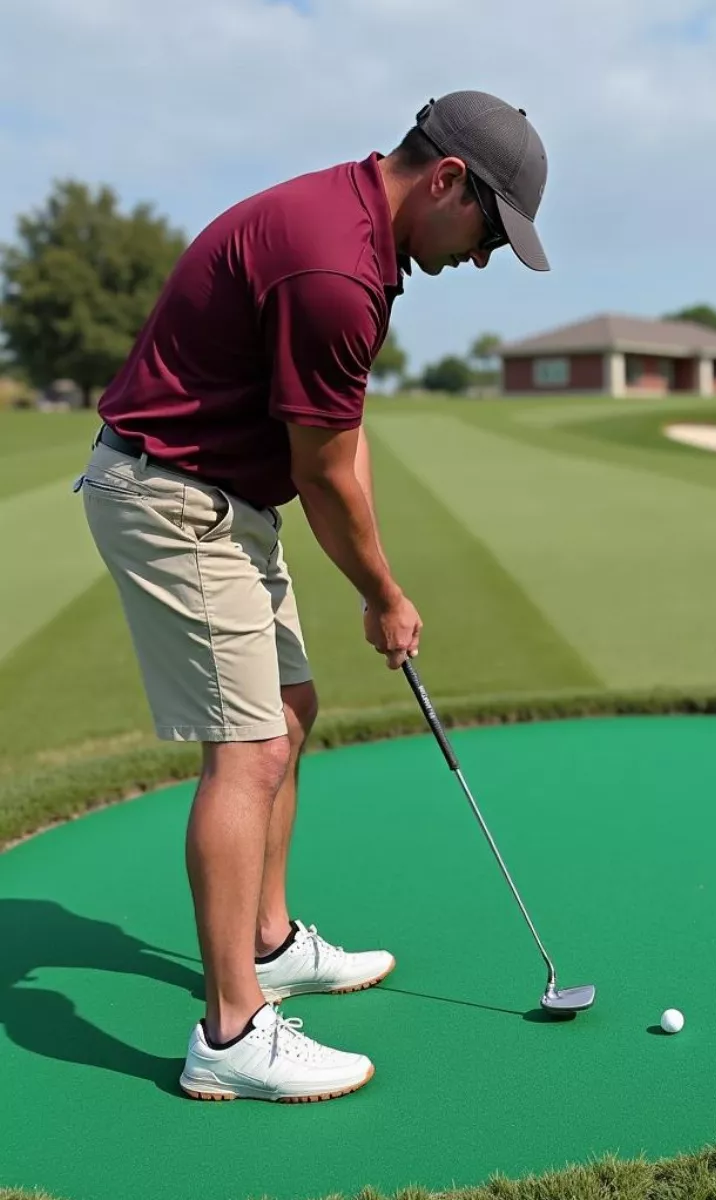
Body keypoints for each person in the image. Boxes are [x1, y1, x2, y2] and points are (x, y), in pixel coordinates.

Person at [74, 90, 550, 1103]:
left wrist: (380, 579)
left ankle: (272, 941)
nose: (482, 260)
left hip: (224, 497)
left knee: (290, 713)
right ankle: (232, 1032)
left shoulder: (357, 234)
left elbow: (341, 434)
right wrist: (382, 591)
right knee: (244, 752)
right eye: (488, 234)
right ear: (448, 179)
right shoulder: (335, 268)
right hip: (172, 497)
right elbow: (324, 471)